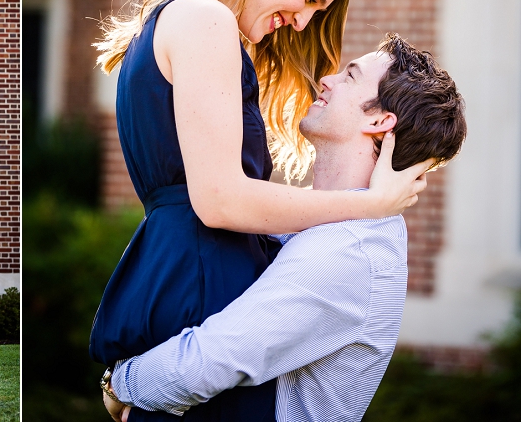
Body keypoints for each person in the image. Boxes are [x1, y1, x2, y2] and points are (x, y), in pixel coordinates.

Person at [90, 0, 428, 421]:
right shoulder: (206, 20)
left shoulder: (187, 20)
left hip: (180, 267)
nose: (303, 22)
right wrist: (371, 205)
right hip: (201, 275)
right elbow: (221, 200)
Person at [102, 33, 467, 422]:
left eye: (351, 76)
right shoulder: (328, 222)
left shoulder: (348, 250)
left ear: (380, 121)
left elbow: (212, 360)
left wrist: (121, 384)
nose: (329, 79)